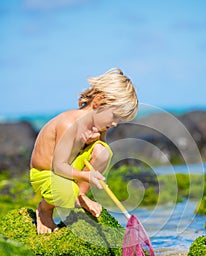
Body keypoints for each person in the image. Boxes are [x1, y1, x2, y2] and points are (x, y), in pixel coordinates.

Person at [30, 68, 138, 234]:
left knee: (103, 151)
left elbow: (97, 153)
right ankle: (45, 209)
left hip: (68, 172)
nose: (116, 123)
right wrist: (87, 176)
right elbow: (58, 166)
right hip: (46, 173)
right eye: (115, 116)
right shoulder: (69, 124)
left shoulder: (99, 126)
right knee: (65, 193)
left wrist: (92, 141)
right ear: (98, 102)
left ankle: (80, 196)